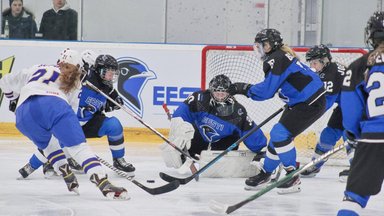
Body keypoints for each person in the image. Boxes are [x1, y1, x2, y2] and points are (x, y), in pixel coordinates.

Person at [0, 49, 129, 199]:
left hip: (23, 115)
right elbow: (70, 112)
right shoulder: (76, 82)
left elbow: (5, 82)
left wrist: (14, 99)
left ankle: (64, 171)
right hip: (54, 106)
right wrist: (71, 135)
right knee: (79, 147)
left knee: (49, 146)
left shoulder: (37, 68)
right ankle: (101, 180)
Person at [229, 28, 326, 194]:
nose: (259, 49)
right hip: (302, 101)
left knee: (279, 134)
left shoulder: (276, 58)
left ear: (271, 45)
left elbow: (266, 91)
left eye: (262, 45)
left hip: (310, 102)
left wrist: (243, 88)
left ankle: (292, 176)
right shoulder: (280, 55)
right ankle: (266, 173)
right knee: (277, 137)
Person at [160, 74, 268, 175]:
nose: (220, 96)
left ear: (229, 92)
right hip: (201, 137)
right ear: (211, 91)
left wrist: (261, 151)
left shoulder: (238, 112)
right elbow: (182, 113)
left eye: (223, 92)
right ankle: (187, 154)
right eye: (217, 92)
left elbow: (250, 130)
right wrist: (177, 134)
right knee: (186, 138)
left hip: (224, 143)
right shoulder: (199, 99)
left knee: (217, 169)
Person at [337, 11, 384, 215]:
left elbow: (350, 116)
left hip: (374, 137)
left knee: (353, 199)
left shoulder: (358, 66)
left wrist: (358, 135)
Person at [300, 44, 351, 178]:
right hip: (346, 106)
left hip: (359, 107)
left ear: (325, 60)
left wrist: (300, 118)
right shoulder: (327, 70)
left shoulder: (330, 74)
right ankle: (315, 166)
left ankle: (358, 169)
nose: (312, 66)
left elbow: (324, 105)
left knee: (348, 134)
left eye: (315, 63)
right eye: (311, 63)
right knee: (328, 135)